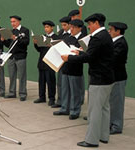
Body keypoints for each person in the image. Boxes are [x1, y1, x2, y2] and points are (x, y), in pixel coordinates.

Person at [61, 13, 114, 148]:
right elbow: (94, 55)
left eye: (90, 24)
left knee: (94, 111)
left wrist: (70, 58)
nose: (89, 27)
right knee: (104, 108)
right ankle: (103, 136)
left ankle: (91, 140)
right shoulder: (106, 35)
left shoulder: (97, 37)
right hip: (108, 78)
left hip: (99, 78)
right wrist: (81, 53)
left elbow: (89, 58)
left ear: (96, 23)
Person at [53, 19, 85, 120]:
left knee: (75, 91)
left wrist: (77, 51)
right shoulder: (68, 38)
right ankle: (64, 108)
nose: (71, 29)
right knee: (65, 89)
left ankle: (75, 110)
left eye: (73, 27)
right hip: (65, 67)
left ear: (79, 28)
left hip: (75, 69)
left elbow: (83, 54)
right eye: (70, 27)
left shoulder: (82, 40)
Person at [3, 15, 30, 101]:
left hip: (20, 56)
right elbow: (9, 45)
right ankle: (12, 92)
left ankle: (22, 93)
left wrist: (16, 39)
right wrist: (4, 40)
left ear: (18, 21)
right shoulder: (11, 31)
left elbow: (26, 42)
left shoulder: (24, 30)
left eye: (14, 21)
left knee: (21, 76)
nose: (12, 23)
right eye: (11, 22)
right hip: (11, 56)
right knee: (12, 75)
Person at [108, 22, 128, 135]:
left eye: (111, 29)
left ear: (118, 31)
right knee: (112, 102)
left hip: (118, 77)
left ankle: (116, 126)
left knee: (117, 103)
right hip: (113, 77)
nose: (109, 31)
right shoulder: (114, 42)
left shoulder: (121, 43)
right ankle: (111, 122)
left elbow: (113, 58)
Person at [33, 20, 58, 106]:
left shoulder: (56, 37)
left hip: (50, 62)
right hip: (42, 61)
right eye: (45, 27)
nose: (46, 29)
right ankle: (42, 96)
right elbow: (39, 50)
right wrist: (36, 44)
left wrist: (51, 45)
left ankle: (51, 98)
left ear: (52, 27)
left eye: (47, 27)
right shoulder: (43, 36)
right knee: (41, 80)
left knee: (50, 81)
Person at [52, 16, 71, 108]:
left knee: (67, 84)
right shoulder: (60, 33)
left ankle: (67, 102)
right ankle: (59, 101)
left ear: (69, 25)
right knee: (59, 82)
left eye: (65, 25)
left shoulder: (71, 35)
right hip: (60, 60)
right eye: (62, 25)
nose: (63, 27)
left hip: (68, 60)